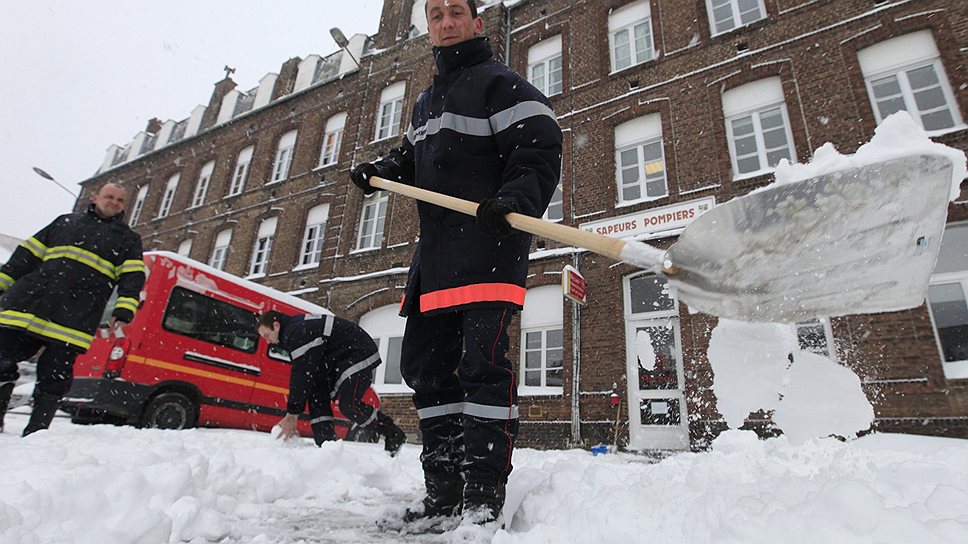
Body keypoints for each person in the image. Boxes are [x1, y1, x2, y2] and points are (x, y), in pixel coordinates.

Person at [350, 0, 563, 531]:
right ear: (429, 28)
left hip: (488, 248)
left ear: (477, 22)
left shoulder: (500, 84)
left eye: (454, 12)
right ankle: (443, 492)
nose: (445, 23)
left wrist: (512, 200)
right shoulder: (425, 102)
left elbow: (539, 146)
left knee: (483, 370)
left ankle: (482, 496)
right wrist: (382, 170)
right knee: (425, 372)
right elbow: (412, 159)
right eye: (436, 14)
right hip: (436, 258)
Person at [0, 183, 145, 436]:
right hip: (30, 305)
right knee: (2, 358)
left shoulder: (127, 240)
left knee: (54, 376)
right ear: (95, 197)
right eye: (109, 197)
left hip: (75, 316)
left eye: (120, 201)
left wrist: (123, 311)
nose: (114, 203)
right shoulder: (64, 223)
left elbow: (132, 277)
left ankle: (37, 431)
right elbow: (25, 257)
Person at [256, 310, 407, 455]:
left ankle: (392, 432)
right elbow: (309, 375)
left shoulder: (296, 333)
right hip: (337, 361)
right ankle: (327, 447)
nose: (268, 341)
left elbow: (301, 374)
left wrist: (292, 414)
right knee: (316, 394)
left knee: (349, 405)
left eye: (267, 335)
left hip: (358, 353)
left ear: (276, 325)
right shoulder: (295, 331)